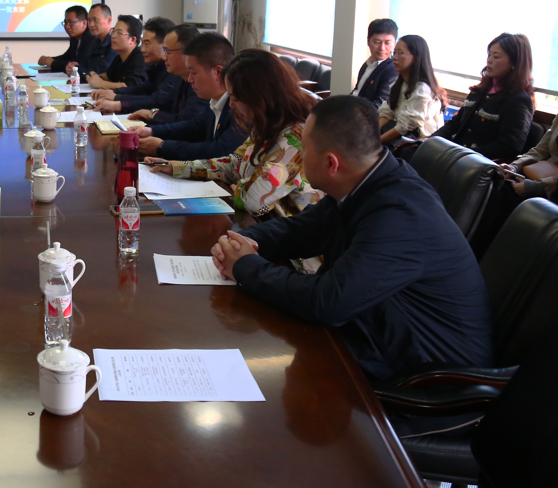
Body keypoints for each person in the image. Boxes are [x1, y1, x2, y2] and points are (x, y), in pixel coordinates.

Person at [210, 96, 492, 383]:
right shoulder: (367, 182)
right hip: (374, 337)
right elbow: (301, 230)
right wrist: (242, 240)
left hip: (424, 379)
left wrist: (245, 266)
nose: (300, 156)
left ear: (331, 163)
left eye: (304, 149)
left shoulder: (400, 214)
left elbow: (328, 301)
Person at [151, 50, 322, 218]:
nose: (231, 105)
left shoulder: (295, 137)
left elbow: (252, 201)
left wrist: (238, 187)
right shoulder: (265, 123)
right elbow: (235, 164)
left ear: (260, 97)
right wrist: (177, 167)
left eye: (236, 98)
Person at [136, 32, 247, 161]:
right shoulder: (215, 100)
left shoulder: (240, 107)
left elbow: (221, 151)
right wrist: (151, 131)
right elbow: (194, 127)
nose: (189, 80)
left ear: (218, 72)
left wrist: (162, 147)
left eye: (193, 73)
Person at [432, 32, 534, 160]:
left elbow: (509, 146)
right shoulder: (480, 90)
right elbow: (454, 124)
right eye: (489, 55)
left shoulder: (519, 100)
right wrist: (431, 141)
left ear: (515, 63)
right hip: (455, 154)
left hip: (476, 163)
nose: (489, 60)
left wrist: (462, 155)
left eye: (496, 57)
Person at [93, 17, 175, 113]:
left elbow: (156, 101)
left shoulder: (173, 71)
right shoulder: (157, 66)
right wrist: (114, 92)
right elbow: (142, 89)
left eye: (147, 44)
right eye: (142, 44)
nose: (142, 50)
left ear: (165, 45)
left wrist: (118, 100)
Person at [377, 34, 444, 144]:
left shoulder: (423, 90)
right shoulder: (401, 83)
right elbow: (387, 111)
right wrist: (370, 134)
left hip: (421, 143)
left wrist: (375, 142)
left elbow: (403, 128)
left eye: (400, 53)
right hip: (405, 137)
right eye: (395, 52)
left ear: (415, 58)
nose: (394, 57)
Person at [85, 14, 148, 90]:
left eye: (119, 33)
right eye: (113, 31)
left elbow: (131, 87)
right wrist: (95, 76)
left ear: (132, 40)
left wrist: (101, 83)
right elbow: (109, 76)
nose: (113, 36)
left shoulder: (140, 59)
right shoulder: (119, 58)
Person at [350, 18, 398, 106]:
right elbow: (357, 91)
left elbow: (380, 104)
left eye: (387, 43)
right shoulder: (367, 64)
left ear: (395, 44)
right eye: (377, 42)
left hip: (366, 113)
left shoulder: (392, 69)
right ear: (368, 41)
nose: (382, 48)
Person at [38, 5, 93, 73]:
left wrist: (52, 62)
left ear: (84, 23)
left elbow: (78, 64)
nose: (67, 26)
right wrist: (47, 59)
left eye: (71, 22)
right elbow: (67, 57)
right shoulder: (74, 38)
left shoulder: (91, 38)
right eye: (65, 23)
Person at [73, 3, 117, 74]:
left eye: (95, 20)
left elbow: (102, 71)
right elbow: (85, 65)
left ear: (109, 20)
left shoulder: (115, 43)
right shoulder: (95, 42)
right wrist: (74, 67)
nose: (91, 24)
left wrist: (77, 69)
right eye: (89, 20)